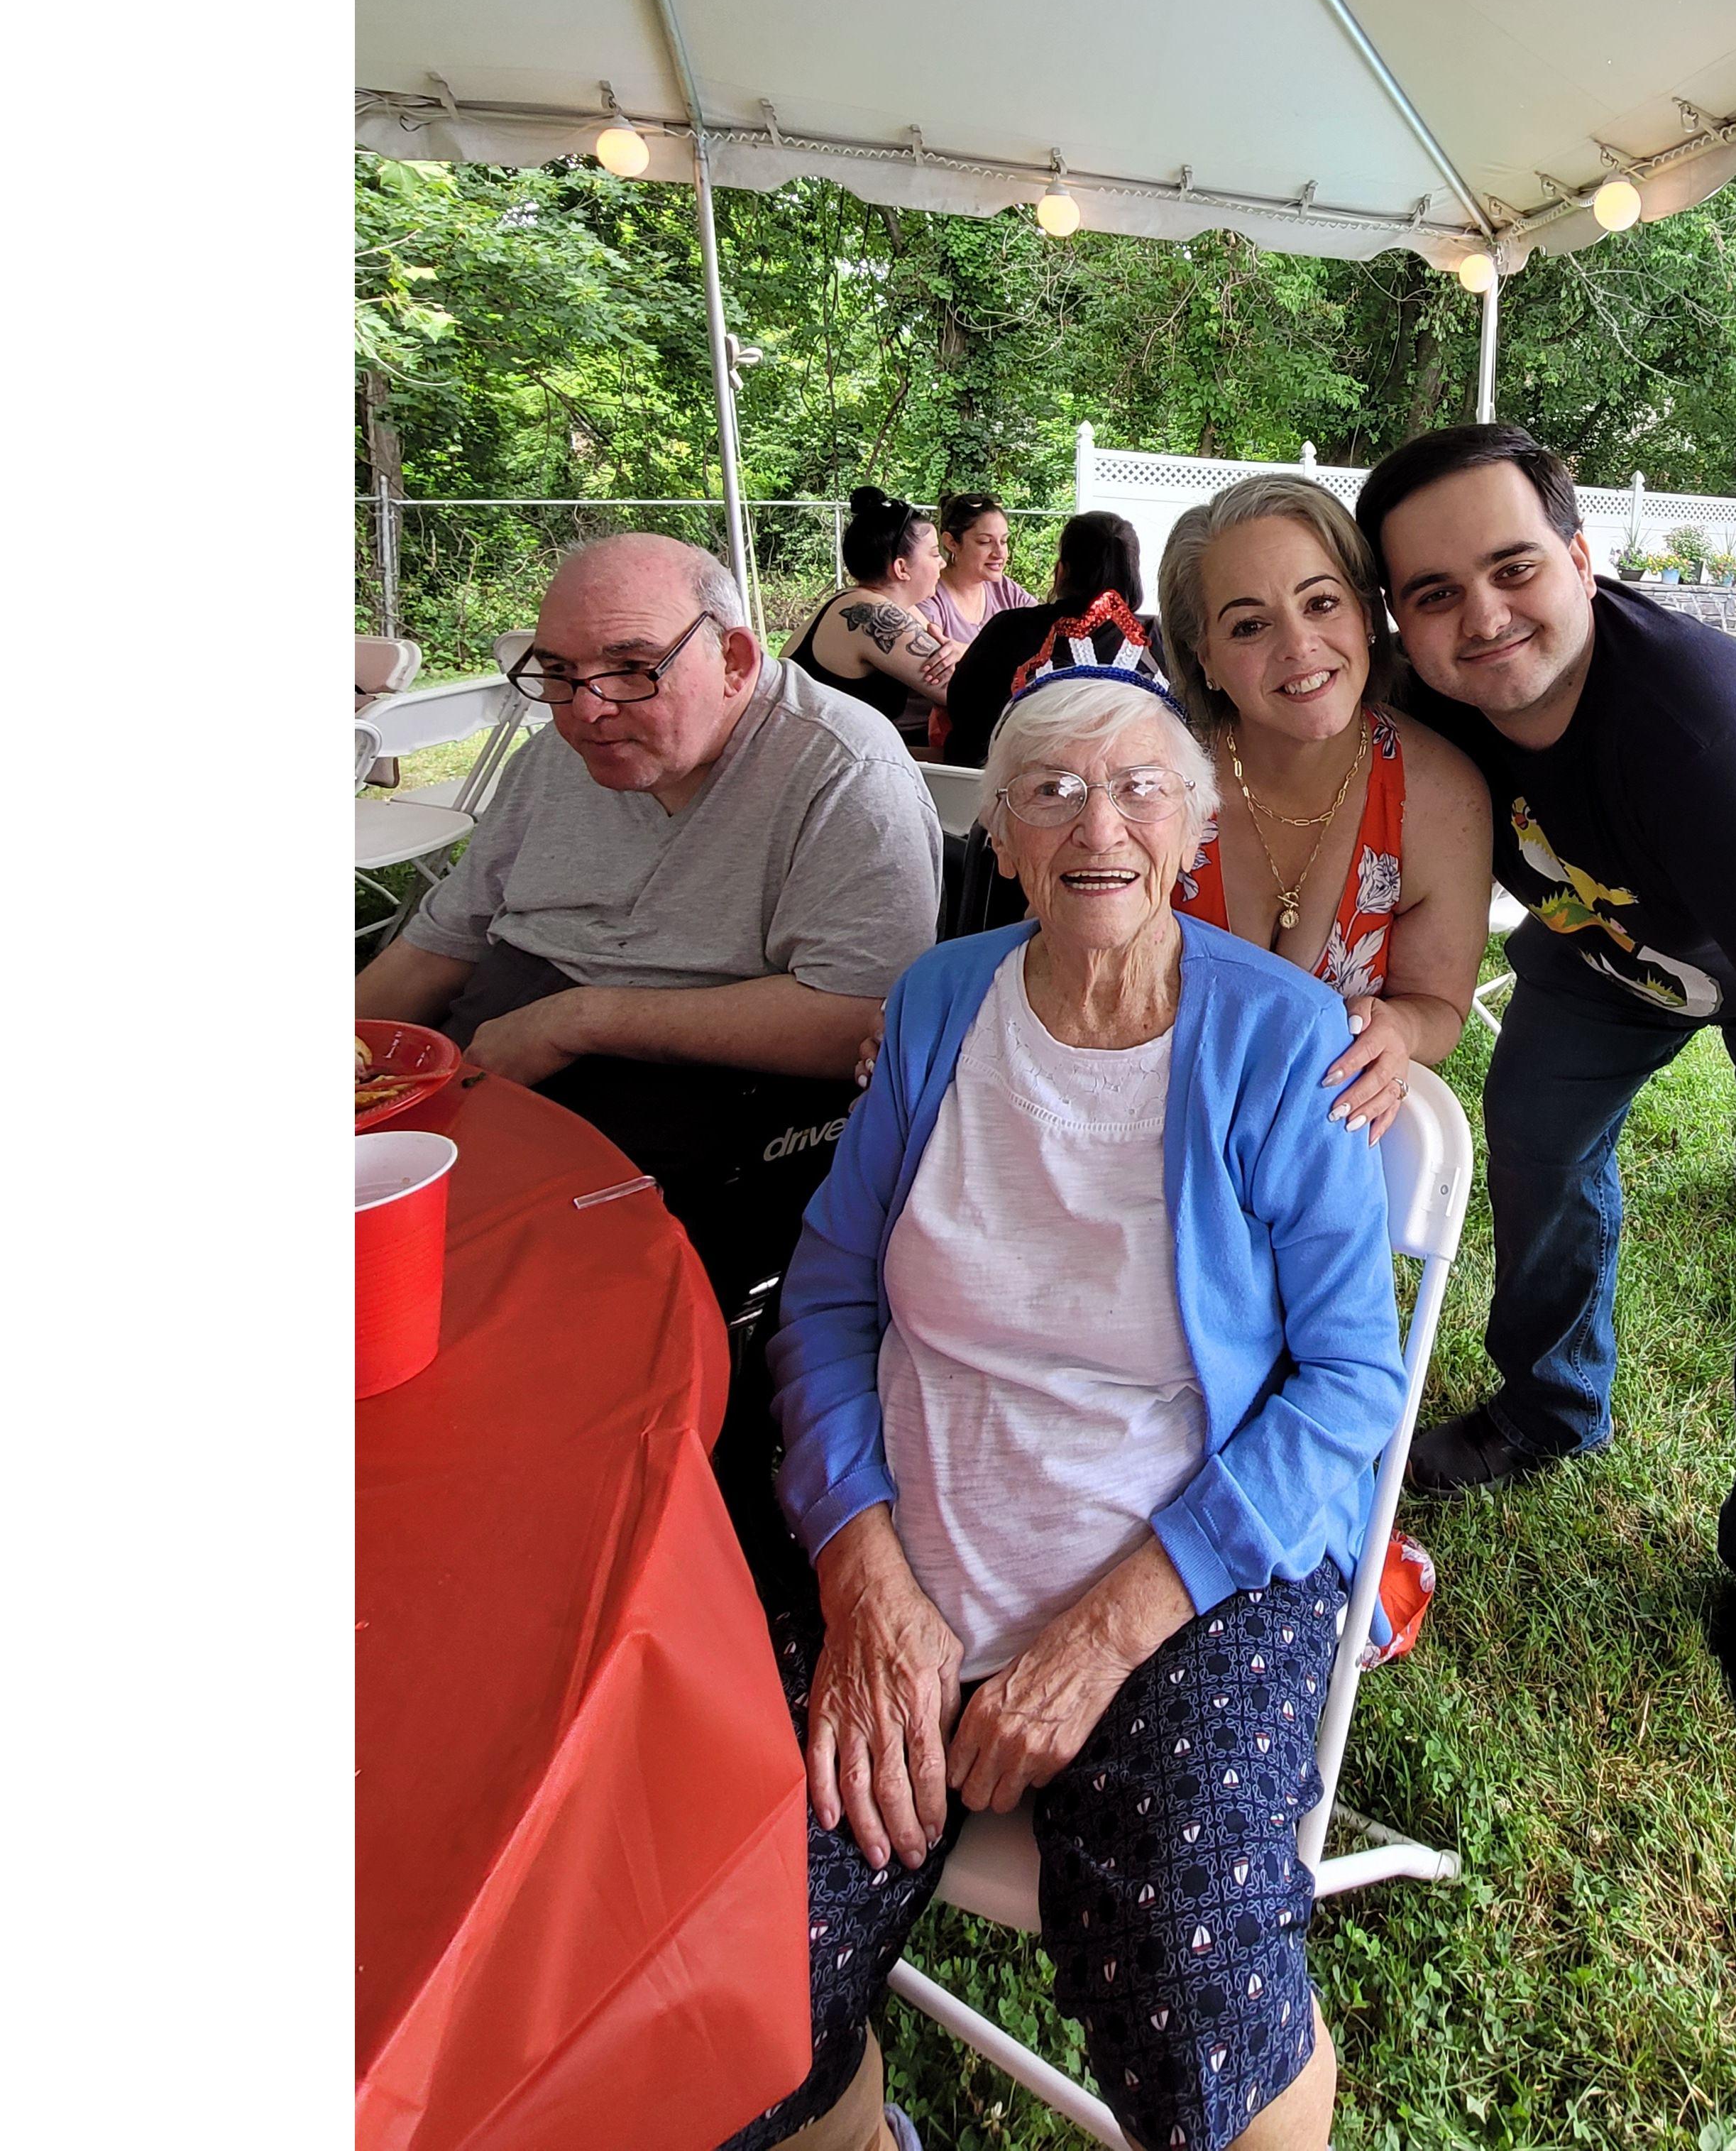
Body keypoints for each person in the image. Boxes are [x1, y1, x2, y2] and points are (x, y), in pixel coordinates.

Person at [729, 665, 1402, 2151]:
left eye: (1138, 786)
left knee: (1179, 1929)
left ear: (1194, 823)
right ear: (1007, 841)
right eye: (1050, 791)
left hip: (1193, 1556)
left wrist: (1106, 1626)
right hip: (915, 1524)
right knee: (738, 1913)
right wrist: (857, 1559)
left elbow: (1352, 1375)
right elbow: (831, 1291)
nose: (1098, 823)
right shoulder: (937, 1001)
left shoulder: (1283, 1036)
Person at [1356, 425, 1736, 1773]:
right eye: (1434, 595)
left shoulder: (1712, 752)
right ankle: (1553, 1400)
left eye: (1515, 568)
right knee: (1533, 1132)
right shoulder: (1427, 688)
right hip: (1614, 929)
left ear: (1583, 557)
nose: (1482, 617)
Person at [354, 534, 944, 1322]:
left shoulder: (843, 770)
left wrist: (579, 1019)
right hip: (491, 1061)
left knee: (474, 1301)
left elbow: (857, 1023)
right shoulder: (558, 756)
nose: (587, 710)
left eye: (632, 669)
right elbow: (444, 940)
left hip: (702, 1101)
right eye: (558, 673)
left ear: (734, 658)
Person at [1155, 474, 1491, 1143]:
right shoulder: (1149, 778)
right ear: (1208, 660)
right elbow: (1059, 963)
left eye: (1321, 603)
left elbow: (1439, 1006)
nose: (1298, 647)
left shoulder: (1439, 797)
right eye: (1250, 625)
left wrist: (1401, 1028)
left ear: (1367, 617)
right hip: (1136, 1126)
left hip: (1312, 1151)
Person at [935, 508, 1159, 767]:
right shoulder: (1156, 640)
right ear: (1133, 573)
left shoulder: (1010, 629)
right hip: (1128, 787)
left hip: (1000, 784)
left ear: (1062, 570)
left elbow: (963, 708)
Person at [785, 486, 962, 748]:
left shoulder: (880, 602)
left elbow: (956, 662)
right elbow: (963, 691)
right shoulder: (871, 612)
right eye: (935, 554)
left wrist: (962, 651)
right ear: (901, 568)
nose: (943, 563)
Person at [918, 489, 1036, 665]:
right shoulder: (929, 596)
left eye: (1004, 541)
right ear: (951, 543)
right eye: (985, 542)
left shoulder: (1006, 590)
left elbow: (1048, 638)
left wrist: (966, 651)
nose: (999, 553)